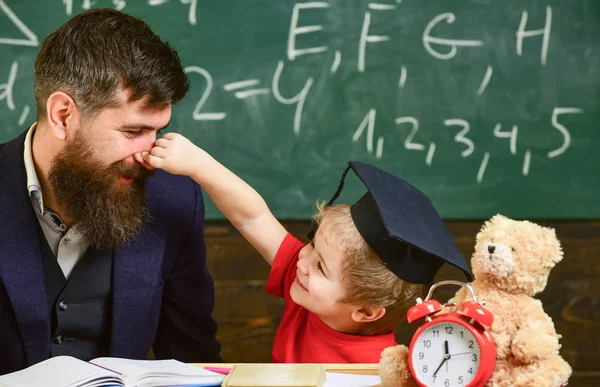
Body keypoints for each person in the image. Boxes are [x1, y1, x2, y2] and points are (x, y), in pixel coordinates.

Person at [0, 9, 222, 375]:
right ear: (62, 116)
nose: (150, 155)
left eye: (158, 131)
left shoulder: (175, 198)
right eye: (133, 132)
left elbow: (194, 360)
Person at [141, 133, 474, 363]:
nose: (302, 260)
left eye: (321, 267)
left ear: (366, 312)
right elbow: (253, 217)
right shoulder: (306, 287)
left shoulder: (380, 367)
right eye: (312, 245)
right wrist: (200, 166)